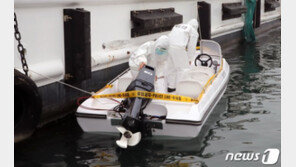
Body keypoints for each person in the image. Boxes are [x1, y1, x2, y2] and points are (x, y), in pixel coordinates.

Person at [166, 19, 199, 92]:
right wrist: (190, 59)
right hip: (179, 48)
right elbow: (191, 46)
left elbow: (170, 35)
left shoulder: (177, 26)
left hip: (168, 46)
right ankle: (181, 89)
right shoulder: (193, 30)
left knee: (171, 67)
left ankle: (171, 87)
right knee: (183, 69)